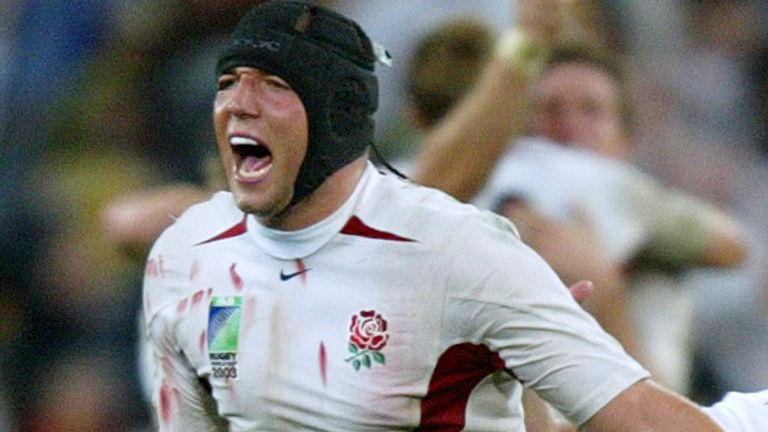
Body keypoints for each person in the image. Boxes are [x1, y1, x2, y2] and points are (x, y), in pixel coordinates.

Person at [142, 1, 724, 431]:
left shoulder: (460, 254)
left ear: (338, 116)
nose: (238, 104)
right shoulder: (186, 261)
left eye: (272, 86)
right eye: (228, 83)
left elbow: (640, 417)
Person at [412, 1, 747, 397]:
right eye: (549, 109)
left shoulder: (628, 196)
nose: (569, 126)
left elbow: (733, 246)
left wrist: (603, 280)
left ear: (626, 140)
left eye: (592, 110)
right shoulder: (498, 191)